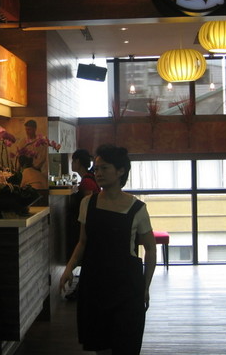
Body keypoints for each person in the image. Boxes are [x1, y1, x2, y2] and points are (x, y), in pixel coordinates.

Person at [59, 144, 156, 355]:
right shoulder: (88, 203)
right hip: (95, 284)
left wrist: (145, 286)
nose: (98, 173)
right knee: (100, 344)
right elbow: (83, 242)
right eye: (96, 168)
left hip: (127, 285)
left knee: (126, 344)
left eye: (104, 168)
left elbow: (150, 248)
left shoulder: (138, 208)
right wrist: (69, 269)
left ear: (120, 171)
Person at [65, 149, 100, 300]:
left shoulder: (86, 182)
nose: (72, 163)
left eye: (73, 161)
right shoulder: (88, 179)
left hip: (90, 227)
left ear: (78, 162)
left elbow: (90, 207)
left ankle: (82, 290)